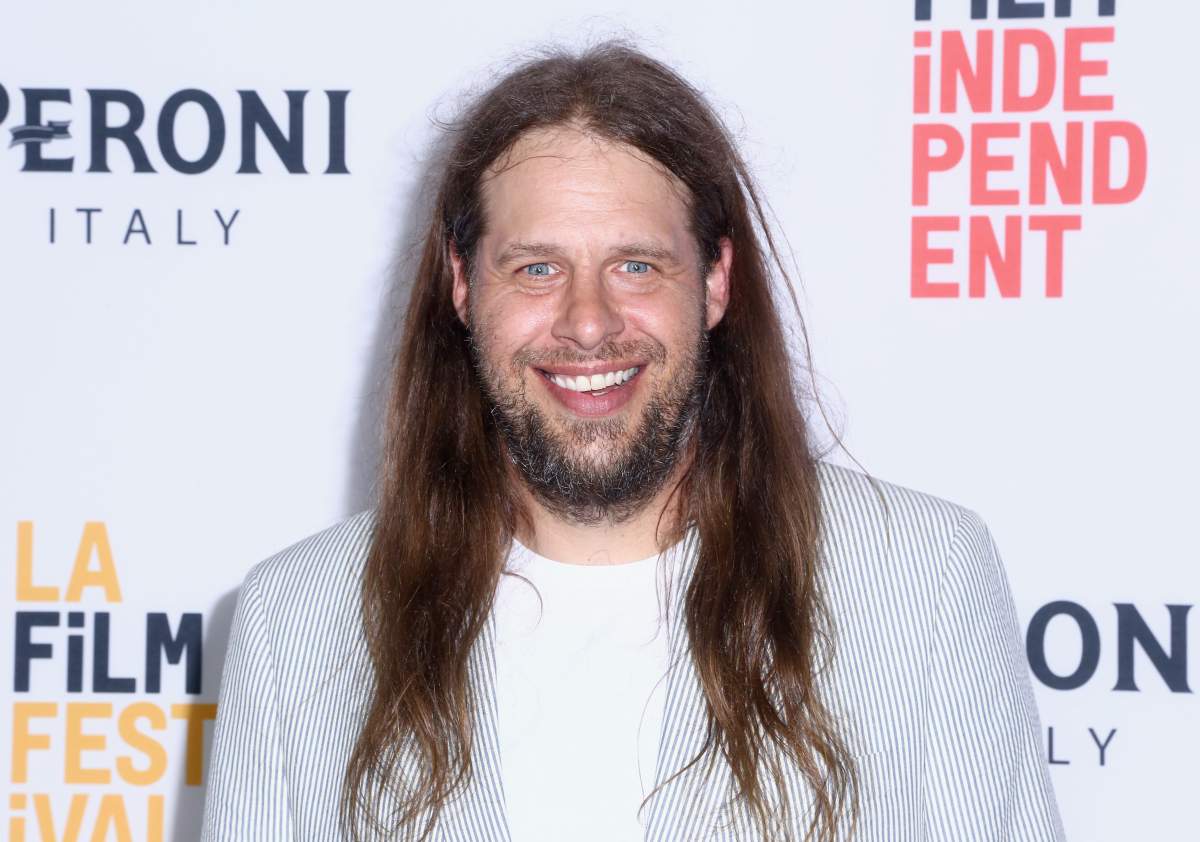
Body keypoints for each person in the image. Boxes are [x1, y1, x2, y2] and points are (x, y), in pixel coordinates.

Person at [199, 41, 1065, 842]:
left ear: (716, 280)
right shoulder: (295, 622)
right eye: (537, 267)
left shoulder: (926, 581)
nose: (587, 322)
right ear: (463, 285)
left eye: (637, 266)